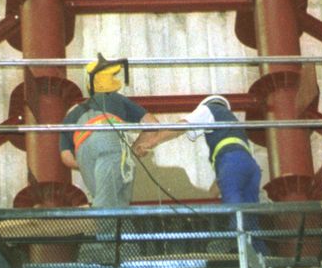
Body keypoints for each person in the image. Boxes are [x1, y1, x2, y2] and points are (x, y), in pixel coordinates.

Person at [59, 55, 168, 208]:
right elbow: (152, 124)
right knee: (112, 204)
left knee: (107, 200)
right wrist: (133, 149)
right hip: (108, 140)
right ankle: (101, 223)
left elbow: (66, 158)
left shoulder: (71, 114)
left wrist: (86, 163)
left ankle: (105, 221)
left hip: (82, 150)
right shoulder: (115, 98)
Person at [182, 95, 261, 205]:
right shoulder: (233, 126)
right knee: (250, 210)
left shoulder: (211, 109)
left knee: (234, 208)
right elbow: (227, 175)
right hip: (252, 167)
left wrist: (157, 138)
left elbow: (182, 125)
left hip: (232, 162)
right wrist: (207, 201)